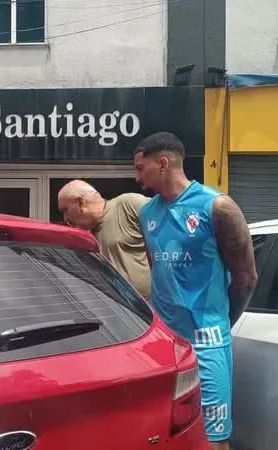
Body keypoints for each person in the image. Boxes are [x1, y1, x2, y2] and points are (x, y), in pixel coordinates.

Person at [133, 132, 257, 450]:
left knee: (214, 438)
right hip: (165, 345)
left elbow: (246, 278)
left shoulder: (217, 207)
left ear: (163, 163)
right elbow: (157, 271)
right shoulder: (147, 213)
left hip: (207, 342)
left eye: (140, 168)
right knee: (166, 436)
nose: (137, 178)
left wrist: (219, 323)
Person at [57, 180, 151, 300]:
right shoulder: (86, 236)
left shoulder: (127, 205)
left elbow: (167, 218)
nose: (65, 218)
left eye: (65, 210)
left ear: (80, 203)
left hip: (153, 306)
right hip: (114, 306)